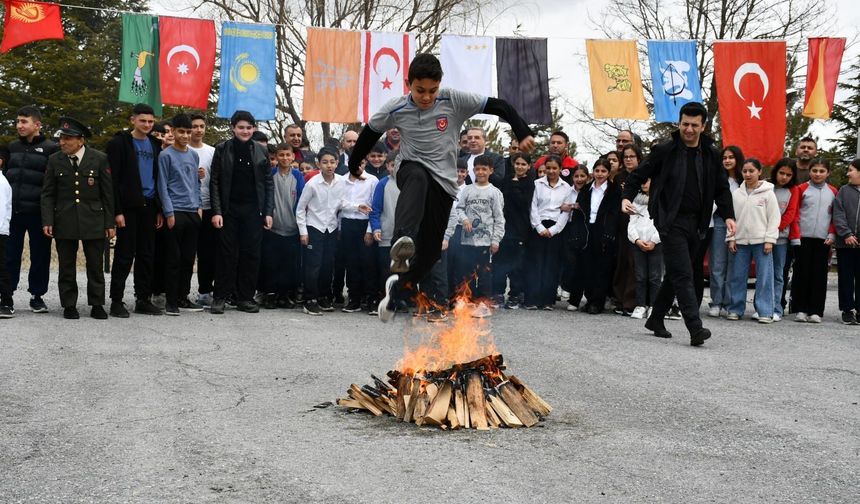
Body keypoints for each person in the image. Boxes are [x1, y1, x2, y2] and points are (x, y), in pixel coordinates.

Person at [348, 53, 535, 322]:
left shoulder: (453, 100)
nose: (426, 97)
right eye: (420, 90)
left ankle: (397, 290)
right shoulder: (396, 107)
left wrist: (522, 130)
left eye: (432, 91)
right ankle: (404, 238)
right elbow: (369, 133)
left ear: (440, 85)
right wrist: (355, 164)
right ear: (408, 83)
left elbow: (499, 106)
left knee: (432, 252)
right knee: (418, 176)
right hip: (411, 169)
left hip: (445, 185)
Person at [622, 102, 735, 346]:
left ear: (703, 126)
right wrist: (625, 198)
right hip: (669, 221)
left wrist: (728, 215)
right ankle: (695, 328)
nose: (689, 129)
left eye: (695, 125)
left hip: (698, 223)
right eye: (685, 124)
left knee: (675, 273)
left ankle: (656, 319)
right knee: (684, 273)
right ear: (679, 123)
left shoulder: (712, 154)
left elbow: (721, 188)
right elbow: (637, 175)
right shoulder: (665, 150)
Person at [41, 117, 115, 320]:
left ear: (80, 141)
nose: (62, 142)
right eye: (61, 138)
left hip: (94, 219)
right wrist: (48, 220)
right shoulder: (55, 160)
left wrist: (109, 223)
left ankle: (97, 304)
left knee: (95, 265)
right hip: (64, 219)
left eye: (67, 138)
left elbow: (107, 194)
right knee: (66, 265)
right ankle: (69, 305)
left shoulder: (99, 158)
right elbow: (48, 194)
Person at [209, 110, 275, 315]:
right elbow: (215, 182)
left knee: (251, 255)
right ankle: (220, 296)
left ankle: (245, 298)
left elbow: (268, 182)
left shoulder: (261, 150)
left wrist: (268, 211)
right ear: (233, 128)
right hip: (229, 210)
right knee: (226, 254)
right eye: (241, 127)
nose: (245, 131)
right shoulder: (222, 149)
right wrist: (217, 211)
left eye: (249, 127)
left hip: (253, 211)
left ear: (253, 128)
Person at [105, 103, 163, 318]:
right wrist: (117, 211)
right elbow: (113, 180)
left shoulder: (156, 144)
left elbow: (158, 178)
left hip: (150, 205)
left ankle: (143, 299)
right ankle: (116, 301)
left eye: (150, 121)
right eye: (142, 120)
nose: (147, 124)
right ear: (133, 120)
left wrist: (159, 209)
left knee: (147, 255)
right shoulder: (119, 143)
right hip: (128, 207)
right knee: (124, 255)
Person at [3, 105, 58, 314]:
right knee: (9, 255)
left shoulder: (51, 148)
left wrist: (50, 215)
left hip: (38, 213)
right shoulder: (12, 147)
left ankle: (37, 296)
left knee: (40, 255)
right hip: (14, 212)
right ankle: (6, 296)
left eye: (24, 122)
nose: (19, 125)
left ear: (37, 125)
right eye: (17, 121)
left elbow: (53, 184)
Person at [157, 113, 203, 316]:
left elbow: (195, 183)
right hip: (175, 211)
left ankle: (183, 297)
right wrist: (168, 212)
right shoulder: (165, 155)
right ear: (173, 132)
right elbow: (162, 186)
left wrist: (199, 206)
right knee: (173, 258)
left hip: (192, 211)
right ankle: (171, 300)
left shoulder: (193, 155)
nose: (185, 135)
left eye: (188, 131)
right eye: (181, 131)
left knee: (188, 259)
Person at [725, 158, 780, 323]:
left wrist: (770, 239)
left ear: (759, 171)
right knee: (738, 277)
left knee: (764, 277)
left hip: (762, 241)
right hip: (740, 242)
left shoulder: (768, 193)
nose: (748, 174)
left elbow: (774, 218)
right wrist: (731, 238)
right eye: (745, 171)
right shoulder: (736, 194)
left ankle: (765, 311)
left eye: (751, 171)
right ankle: (735, 309)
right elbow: (731, 218)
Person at [455, 154, 505, 317]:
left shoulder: (494, 192)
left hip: (485, 241)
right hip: (467, 240)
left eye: (484, 169)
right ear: (473, 170)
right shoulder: (468, 190)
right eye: (477, 169)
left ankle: (483, 304)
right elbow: (459, 208)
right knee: (466, 271)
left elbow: (499, 218)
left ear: (491, 170)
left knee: (484, 273)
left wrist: (495, 240)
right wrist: (465, 220)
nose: (481, 172)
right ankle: (465, 301)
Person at [296, 148, 345, 315]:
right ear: (318, 164)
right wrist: (303, 232)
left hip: (331, 229)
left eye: (332, 162)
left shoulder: (341, 182)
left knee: (327, 265)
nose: (329, 165)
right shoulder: (312, 184)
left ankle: (324, 296)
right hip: (313, 228)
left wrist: (357, 207)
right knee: (313, 266)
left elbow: (342, 204)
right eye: (325, 162)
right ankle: (309, 299)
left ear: (337, 163)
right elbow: (300, 209)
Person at [790, 159, 836, 323]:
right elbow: (794, 214)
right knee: (802, 273)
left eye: (821, 171)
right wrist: (796, 236)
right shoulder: (801, 189)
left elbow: (834, 217)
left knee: (819, 274)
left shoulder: (833, 191)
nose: (817, 174)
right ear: (809, 172)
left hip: (823, 240)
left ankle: (816, 311)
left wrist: (832, 234)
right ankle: (800, 309)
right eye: (814, 170)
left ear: (827, 173)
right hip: (803, 239)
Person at [259, 143, 304, 309]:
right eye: (281, 155)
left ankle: (284, 295)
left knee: (289, 264)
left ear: (293, 156)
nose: (285, 158)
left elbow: (302, 200)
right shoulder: (270, 174)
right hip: (273, 227)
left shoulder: (298, 176)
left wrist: (300, 224)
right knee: (271, 262)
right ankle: (270, 294)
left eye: (288, 155)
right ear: (276, 157)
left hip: (292, 228)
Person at [575, 158, 621, 314]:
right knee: (587, 267)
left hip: (603, 231)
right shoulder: (586, 189)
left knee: (602, 268)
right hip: (588, 229)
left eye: (603, 171)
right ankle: (589, 299)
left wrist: (609, 233)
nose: (600, 174)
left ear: (608, 173)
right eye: (597, 171)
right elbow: (581, 209)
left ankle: (598, 302)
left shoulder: (614, 190)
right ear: (593, 172)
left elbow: (615, 214)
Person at [524, 156, 569, 310]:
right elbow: (533, 207)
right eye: (548, 168)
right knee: (535, 264)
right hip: (538, 227)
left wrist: (553, 229)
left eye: (554, 168)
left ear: (560, 169)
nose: (551, 171)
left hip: (556, 229)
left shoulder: (566, 188)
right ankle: (532, 299)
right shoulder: (537, 184)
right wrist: (539, 227)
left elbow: (566, 212)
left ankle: (547, 300)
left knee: (551, 265)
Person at [340, 149, 378, 313]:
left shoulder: (372, 180)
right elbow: (339, 203)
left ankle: (371, 299)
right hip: (347, 223)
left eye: (362, 163)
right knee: (351, 262)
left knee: (368, 263)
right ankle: (353, 298)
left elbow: (373, 207)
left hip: (364, 224)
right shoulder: (341, 180)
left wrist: (370, 230)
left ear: (366, 163)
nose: (359, 166)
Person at [708, 145, 744, 318]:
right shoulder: (715, 179)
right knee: (717, 265)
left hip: (740, 225)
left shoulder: (744, 181)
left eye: (731, 157)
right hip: (719, 223)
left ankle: (731, 303)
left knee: (734, 266)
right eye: (724, 157)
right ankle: (716, 302)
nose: (727, 160)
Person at [494, 152, 534, 309]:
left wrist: (516, 184)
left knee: (517, 265)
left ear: (528, 167)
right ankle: (498, 293)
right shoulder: (506, 181)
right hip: (504, 228)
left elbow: (523, 203)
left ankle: (515, 294)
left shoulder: (530, 183)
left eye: (523, 164)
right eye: (517, 163)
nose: (520, 167)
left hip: (520, 229)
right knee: (499, 263)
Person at [188, 113, 217, 308]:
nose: (198, 130)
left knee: (208, 253)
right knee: (187, 253)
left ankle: (205, 291)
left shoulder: (212, 151)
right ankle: (180, 292)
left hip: (209, 207)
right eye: (194, 126)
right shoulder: (182, 149)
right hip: (188, 208)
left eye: (201, 126)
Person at [612, 144, 643, 315]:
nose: (629, 159)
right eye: (626, 157)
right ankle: (618, 299)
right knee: (621, 263)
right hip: (622, 225)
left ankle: (630, 303)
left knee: (634, 264)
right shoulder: (619, 178)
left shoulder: (645, 176)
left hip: (640, 225)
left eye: (632, 156)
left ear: (639, 158)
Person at [369, 152, 401, 316]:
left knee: (402, 270)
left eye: (399, 163)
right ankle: (384, 301)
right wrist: (376, 228)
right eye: (392, 164)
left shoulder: (412, 184)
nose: (395, 168)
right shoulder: (383, 184)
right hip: (386, 235)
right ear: (387, 166)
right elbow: (375, 211)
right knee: (385, 270)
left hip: (405, 236)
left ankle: (399, 300)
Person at [627, 177, 662, 320]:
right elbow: (631, 223)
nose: (643, 184)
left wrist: (654, 240)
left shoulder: (661, 200)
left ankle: (654, 305)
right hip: (638, 244)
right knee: (640, 275)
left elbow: (664, 223)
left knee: (655, 276)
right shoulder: (635, 201)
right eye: (642, 181)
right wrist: (637, 240)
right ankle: (641, 305)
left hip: (656, 243)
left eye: (647, 180)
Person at [770, 158, 799, 322]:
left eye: (788, 175)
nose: (784, 177)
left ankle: (776, 308)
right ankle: (763, 307)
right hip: (763, 236)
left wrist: (776, 228)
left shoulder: (793, 190)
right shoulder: (767, 186)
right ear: (776, 172)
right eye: (782, 173)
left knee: (779, 274)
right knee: (764, 274)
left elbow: (790, 213)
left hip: (780, 238)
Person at [833, 159, 860, 325]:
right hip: (846, 243)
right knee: (846, 278)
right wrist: (846, 234)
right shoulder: (843, 191)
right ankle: (847, 310)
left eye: (851, 170)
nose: (848, 173)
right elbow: (838, 214)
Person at [561, 164, 591, 311]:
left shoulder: (590, 191)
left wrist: (577, 207)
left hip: (584, 229)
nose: (579, 179)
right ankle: (568, 291)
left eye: (582, 176)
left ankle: (579, 297)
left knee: (583, 264)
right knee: (569, 262)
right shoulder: (567, 190)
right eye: (576, 176)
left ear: (588, 177)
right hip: (568, 227)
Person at [0, 168, 12, 318]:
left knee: (1, 267)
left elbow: (1, 211)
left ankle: (7, 303)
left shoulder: (1, 183)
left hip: (0, 231)